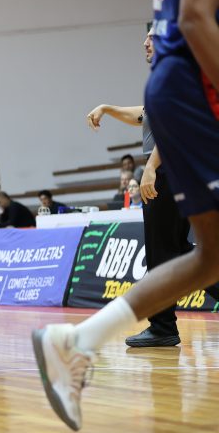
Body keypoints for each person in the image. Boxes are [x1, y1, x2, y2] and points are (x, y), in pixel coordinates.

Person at [33, 0, 219, 431]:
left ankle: (78, 341)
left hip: (185, 92)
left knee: (208, 256)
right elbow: (194, 17)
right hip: (194, 92)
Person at [86, 24, 219, 348]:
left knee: (162, 252)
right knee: (177, 250)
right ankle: (163, 325)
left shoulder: (174, 76)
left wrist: (151, 168)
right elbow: (144, 117)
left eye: (152, 37)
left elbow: (175, 126)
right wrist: (108, 108)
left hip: (167, 168)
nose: (145, 42)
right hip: (176, 168)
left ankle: (162, 327)